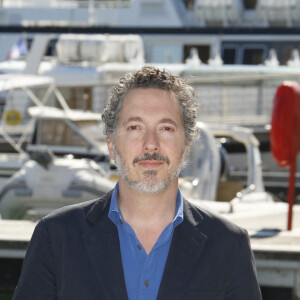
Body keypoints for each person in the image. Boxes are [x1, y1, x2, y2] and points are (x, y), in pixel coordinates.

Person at [13, 66, 262, 300]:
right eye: (135, 127)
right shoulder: (56, 237)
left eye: (166, 128)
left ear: (186, 147)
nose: (150, 143)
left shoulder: (229, 245)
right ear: (112, 146)